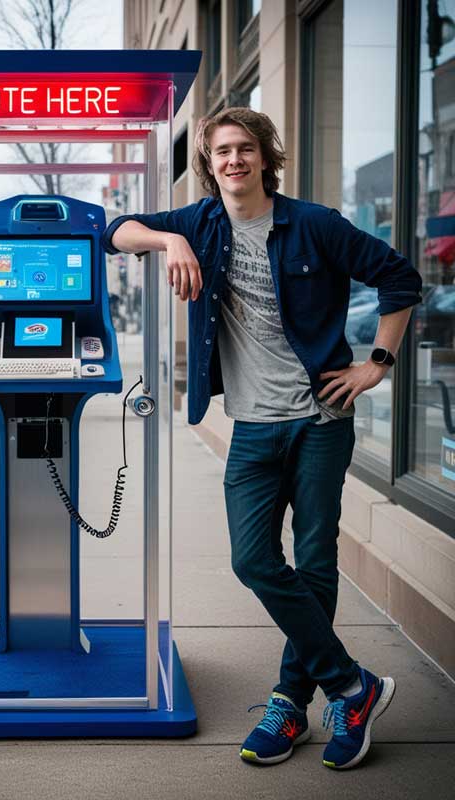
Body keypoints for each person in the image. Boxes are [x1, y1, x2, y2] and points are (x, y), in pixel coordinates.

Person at [101, 107, 422, 770]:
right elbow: (113, 231)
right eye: (221, 151)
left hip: (319, 419)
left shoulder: (314, 225)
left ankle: (289, 703)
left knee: (313, 562)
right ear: (209, 163)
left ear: (264, 157)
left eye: (245, 149)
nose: (233, 161)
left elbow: (401, 279)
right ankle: (351, 686)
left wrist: (376, 365)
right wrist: (169, 242)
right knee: (252, 561)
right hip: (251, 424)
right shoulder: (200, 223)